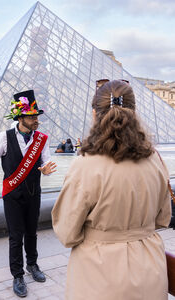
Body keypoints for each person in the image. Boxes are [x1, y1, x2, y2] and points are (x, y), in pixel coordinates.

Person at [52, 79, 171, 300]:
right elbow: (163, 218)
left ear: (96, 115)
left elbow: (67, 232)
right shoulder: (155, 159)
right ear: (134, 113)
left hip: (99, 272)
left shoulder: (85, 165)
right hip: (149, 269)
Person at [0, 90, 57, 298]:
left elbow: (46, 162)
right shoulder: (4, 138)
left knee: (32, 232)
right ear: (20, 117)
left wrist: (46, 169)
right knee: (16, 237)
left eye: (36, 116)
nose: (36, 121)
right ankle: (17, 275)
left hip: (34, 193)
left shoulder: (42, 139)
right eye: (32, 117)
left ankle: (32, 265)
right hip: (12, 195)